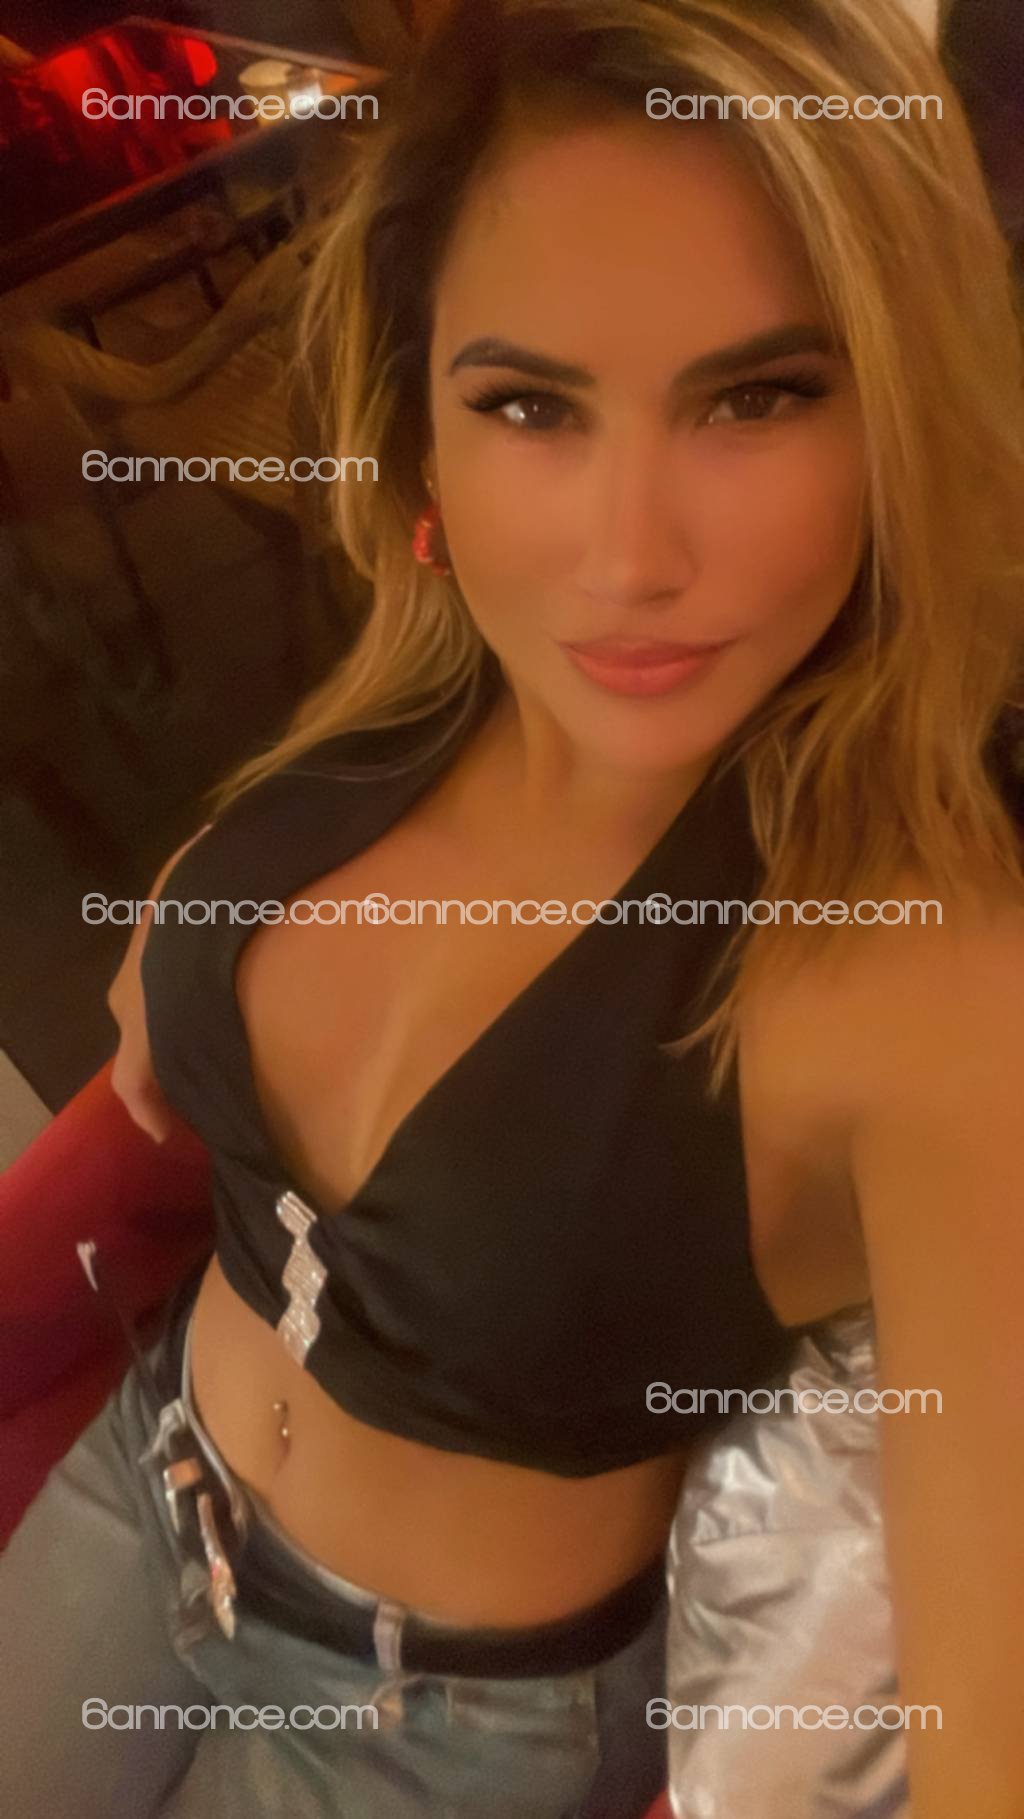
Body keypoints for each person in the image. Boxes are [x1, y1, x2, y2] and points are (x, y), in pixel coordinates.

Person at [2, 1, 1023, 1814]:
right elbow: (203, 973)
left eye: (759, 396)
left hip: (433, 1718)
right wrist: (197, 943)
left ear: (905, 410)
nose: (629, 558)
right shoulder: (414, 703)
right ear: (423, 441)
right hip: (144, 1475)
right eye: (530, 406)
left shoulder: (925, 978)